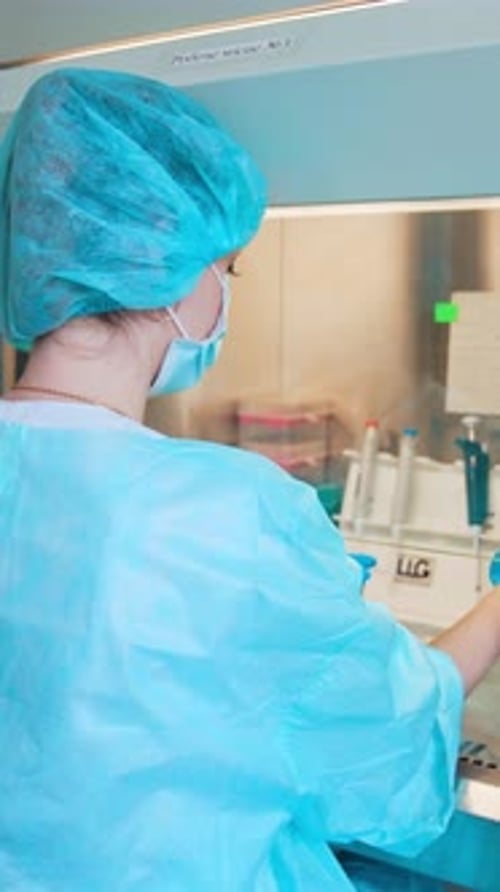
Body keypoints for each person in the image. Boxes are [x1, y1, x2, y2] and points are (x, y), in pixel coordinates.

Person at [0, 67, 498, 892]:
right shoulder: (226, 514)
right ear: (171, 267)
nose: (227, 296)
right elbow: (388, 750)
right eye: (230, 269)